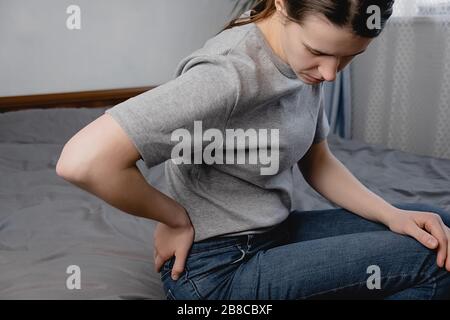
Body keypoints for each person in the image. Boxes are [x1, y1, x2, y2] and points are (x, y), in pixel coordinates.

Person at [56, 0, 450, 299]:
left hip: (272, 234)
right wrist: (174, 218)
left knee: (436, 225)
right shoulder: (228, 75)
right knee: (436, 262)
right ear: (281, 4)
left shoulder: (298, 61)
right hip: (216, 275)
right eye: (318, 52)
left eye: (349, 57)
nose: (330, 74)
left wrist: (393, 215)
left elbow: (318, 161)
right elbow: (83, 160)